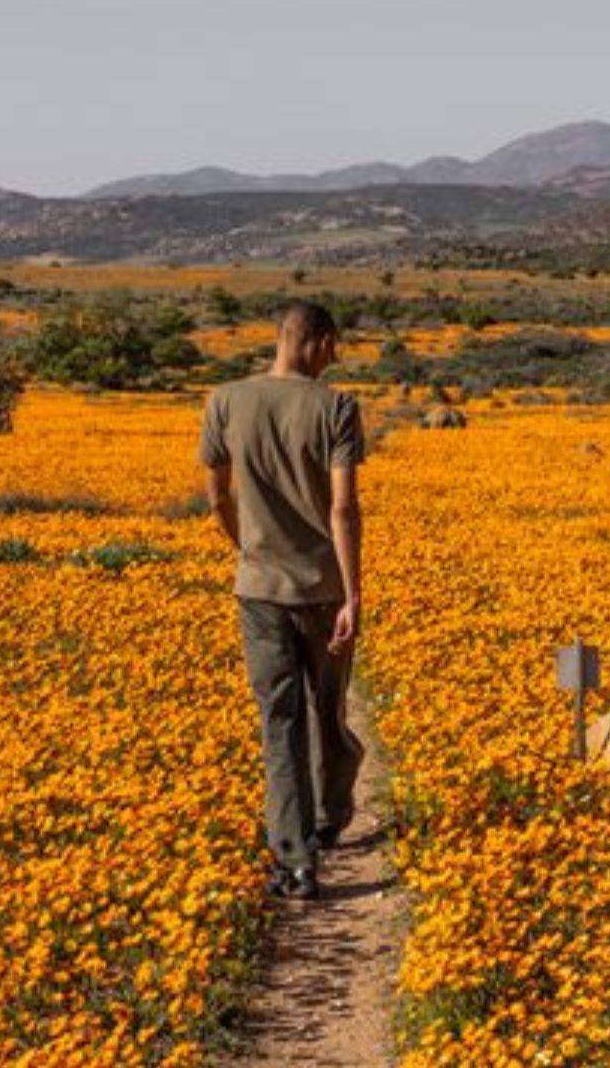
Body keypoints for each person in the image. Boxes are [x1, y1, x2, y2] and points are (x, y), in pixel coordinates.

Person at [198, 301, 366, 901]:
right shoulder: (337, 408)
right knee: (328, 710)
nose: (337, 358)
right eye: (335, 346)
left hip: (259, 590)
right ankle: (329, 816)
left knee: (280, 720)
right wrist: (352, 592)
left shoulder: (224, 401)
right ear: (315, 341)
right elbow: (343, 507)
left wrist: (250, 548)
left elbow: (216, 497)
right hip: (322, 589)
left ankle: (294, 860)